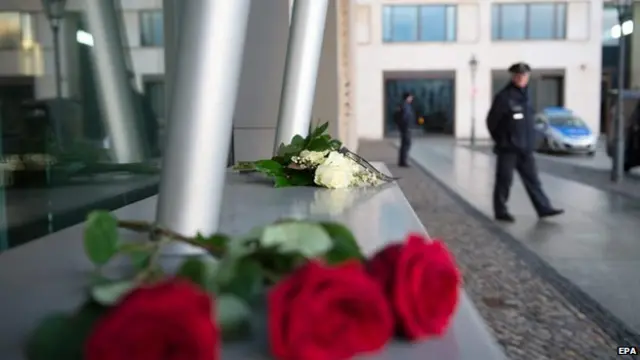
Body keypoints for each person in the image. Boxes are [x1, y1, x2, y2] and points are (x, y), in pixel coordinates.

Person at [486, 62, 564, 222]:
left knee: (533, 180)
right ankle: (500, 211)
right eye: (519, 76)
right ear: (513, 77)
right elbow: (491, 122)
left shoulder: (526, 96)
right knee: (504, 181)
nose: (522, 78)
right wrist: (502, 140)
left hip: (525, 148)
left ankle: (544, 208)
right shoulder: (504, 97)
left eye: (524, 76)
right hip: (508, 148)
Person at [395, 92, 415, 167]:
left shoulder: (404, 105)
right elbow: (405, 117)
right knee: (406, 144)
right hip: (406, 128)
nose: (411, 99)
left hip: (405, 127)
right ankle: (403, 161)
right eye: (410, 97)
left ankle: (402, 161)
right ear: (407, 98)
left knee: (404, 144)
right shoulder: (405, 106)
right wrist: (406, 126)